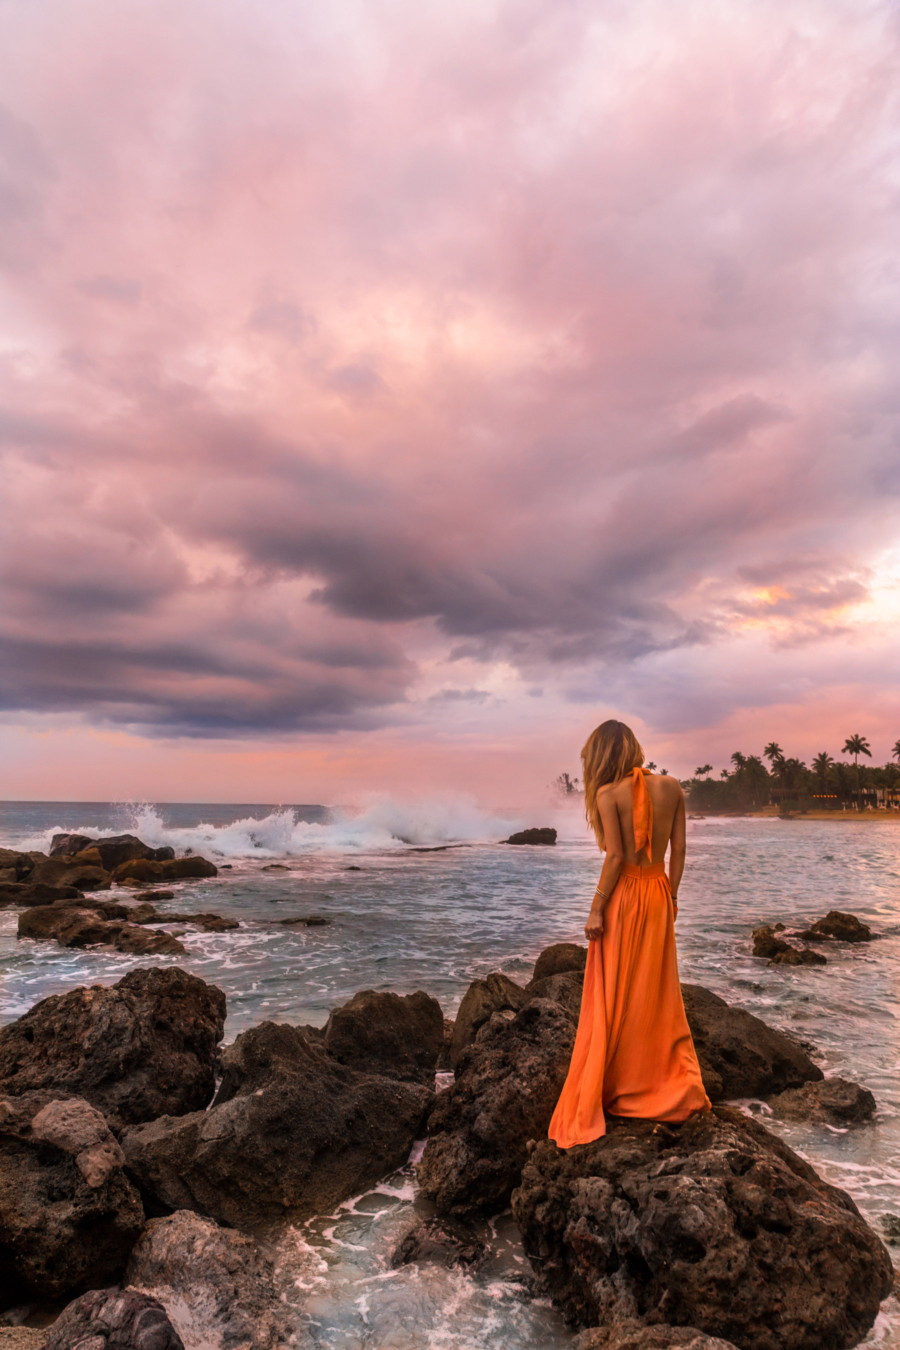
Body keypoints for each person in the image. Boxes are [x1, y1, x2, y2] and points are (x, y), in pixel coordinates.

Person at [548, 718, 710, 1148]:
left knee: (613, 992)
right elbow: (679, 850)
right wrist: (670, 898)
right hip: (657, 892)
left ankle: (619, 1083)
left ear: (601, 756)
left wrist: (595, 908)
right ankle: (669, 1084)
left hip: (624, 898)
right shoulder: (672, 787)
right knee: (655, 992)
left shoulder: (607, 794)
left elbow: (617, 856)